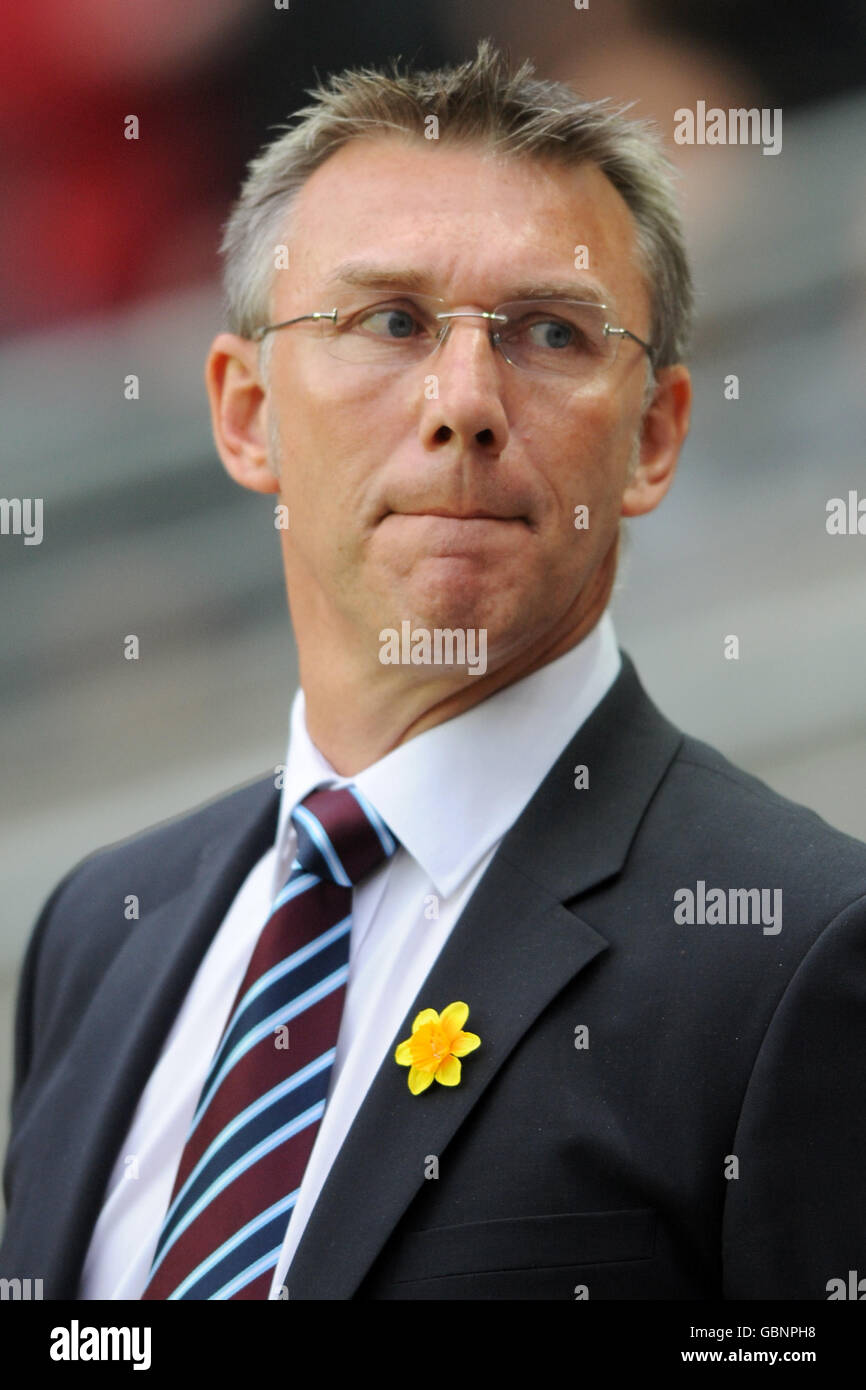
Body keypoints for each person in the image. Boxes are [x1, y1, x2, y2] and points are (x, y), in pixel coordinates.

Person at [2, 39, 865, 1302]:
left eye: (548, 332)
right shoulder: (100, 925)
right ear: (246, 415)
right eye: (389, 321)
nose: (463, 400)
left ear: (654, 437)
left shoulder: (804, 949)